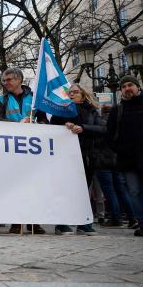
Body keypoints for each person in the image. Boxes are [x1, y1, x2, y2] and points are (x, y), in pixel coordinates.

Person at [107, 75, 143, 238]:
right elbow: (109, 136)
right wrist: (120, 149)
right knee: (135, 193)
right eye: (123, 86)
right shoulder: (117, 111)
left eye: (130, 85)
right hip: (128, 161)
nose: (127, 88)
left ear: (138, 87)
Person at [0, 67, 47, 235]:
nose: (6, 83)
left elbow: (45, 120)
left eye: (9, 79)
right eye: (4, 80)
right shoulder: (2, 99)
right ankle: (16, 221)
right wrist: (17, 125)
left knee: (35, 185)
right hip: (11, 148)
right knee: (14, 185)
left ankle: (34, 222)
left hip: (33, 148)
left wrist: (36, 124)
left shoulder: (34, 98)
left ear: (19, 80)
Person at [51, 83, 104, 235]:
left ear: (83, 94)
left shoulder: (92, 111)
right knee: (65, 188)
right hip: (66, 156)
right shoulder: (61, 111)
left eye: (75, 92)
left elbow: (102, 129)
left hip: (87, 154)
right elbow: (52, 127)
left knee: (83, 190)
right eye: (69, 92)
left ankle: (83, 222)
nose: (72, 94)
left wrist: (84, 128)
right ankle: (62, 223)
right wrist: (63, 126)